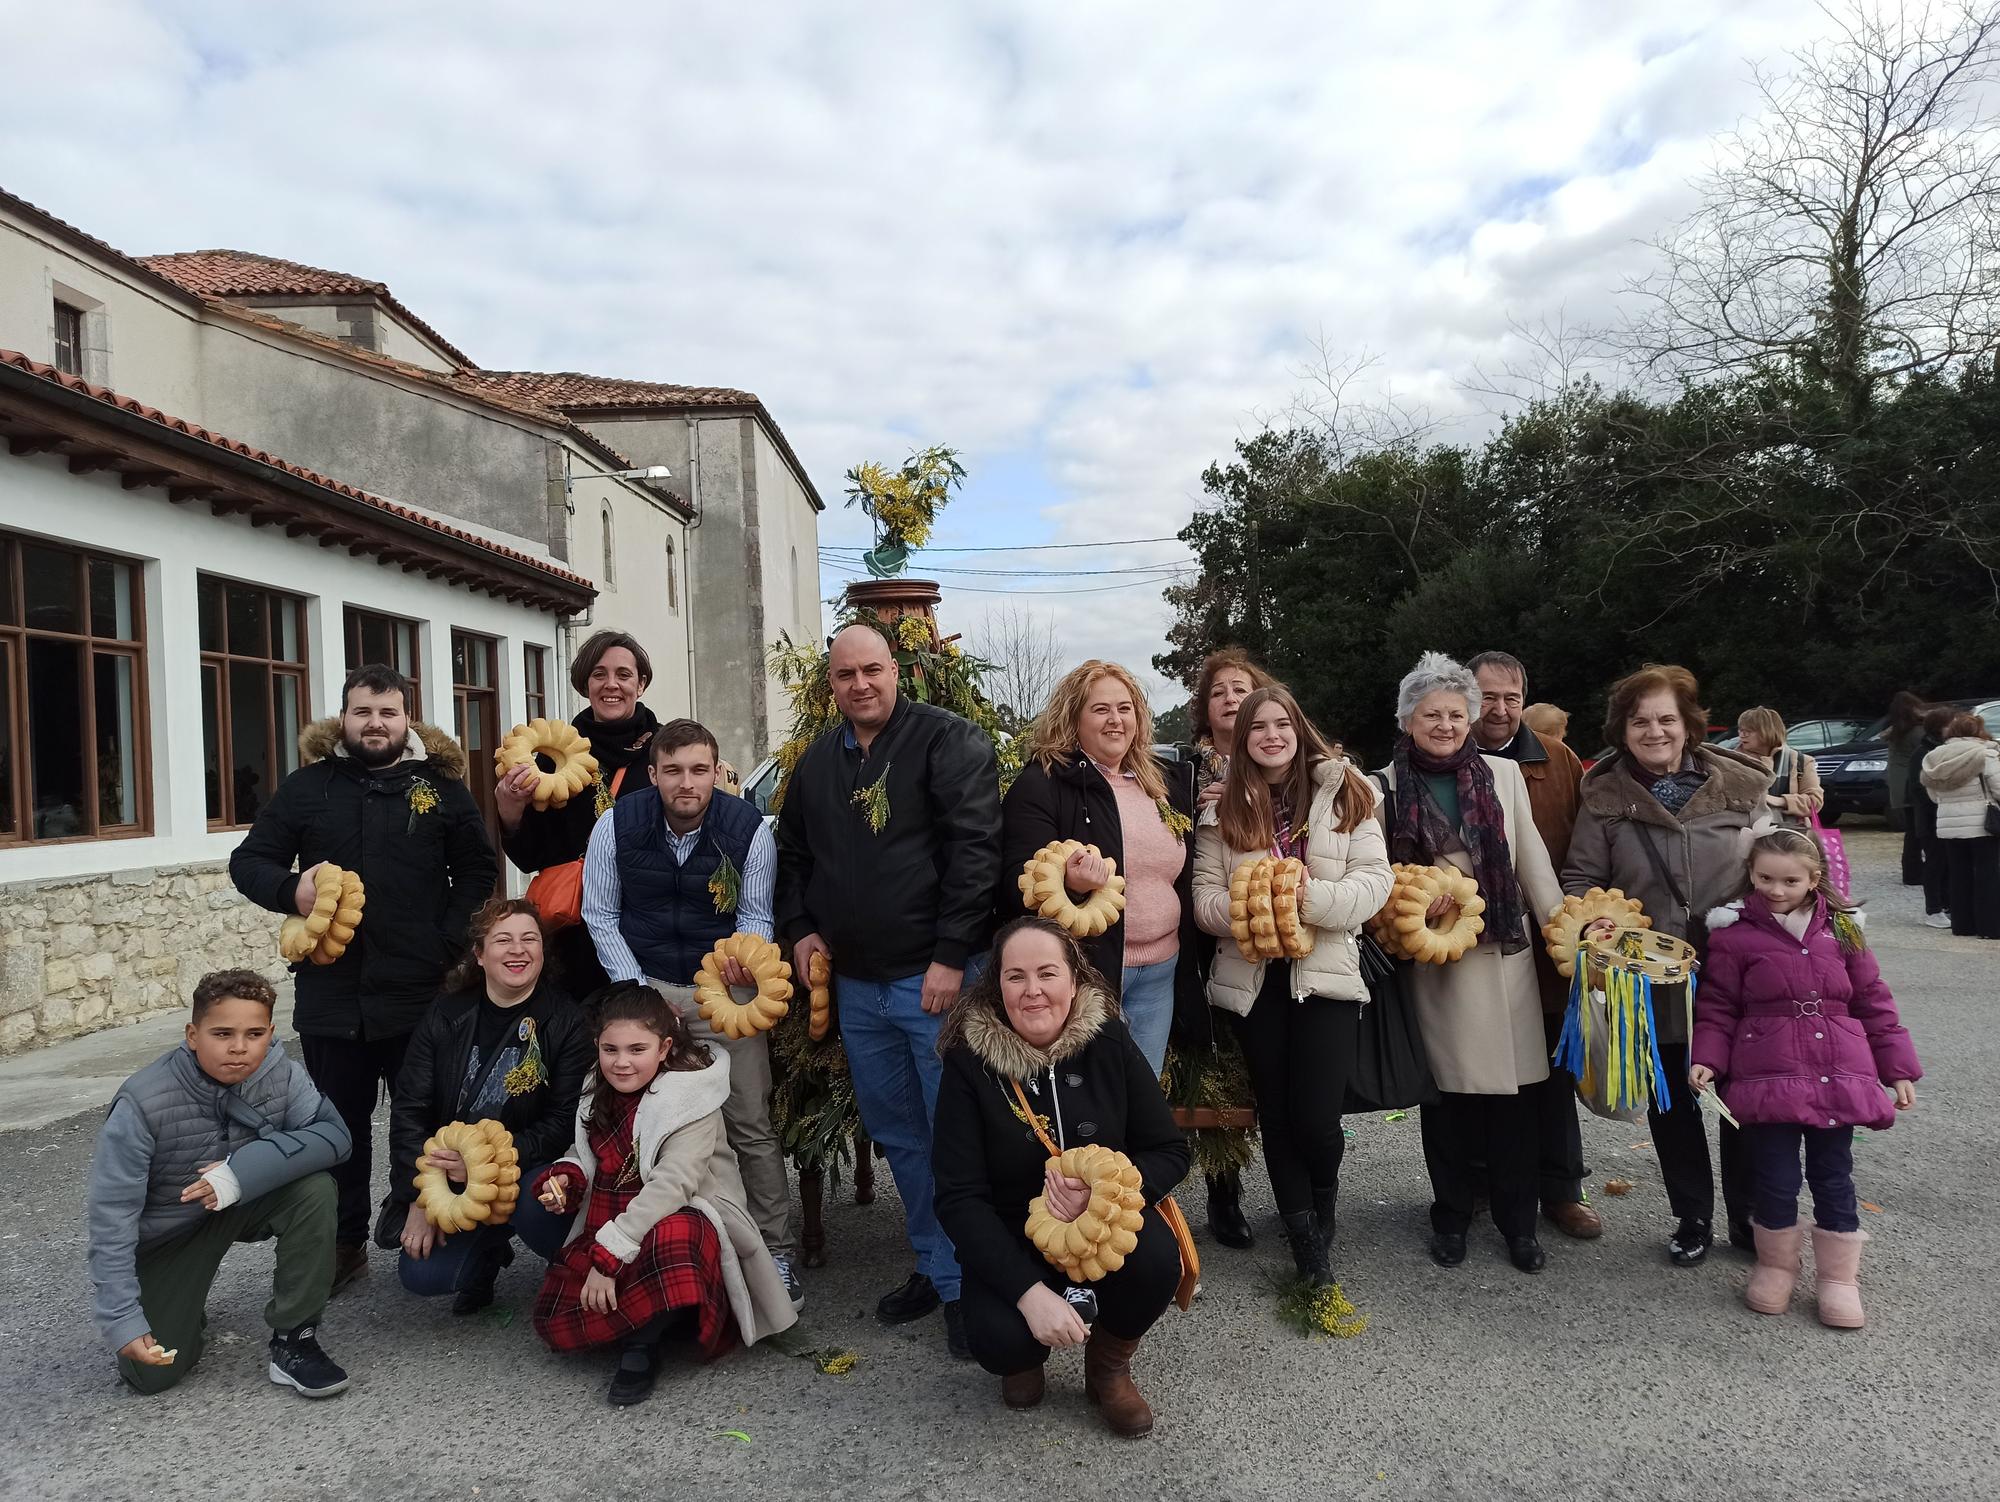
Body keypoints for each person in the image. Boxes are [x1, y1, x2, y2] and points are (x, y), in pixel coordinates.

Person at [229, 664, 498, 1295]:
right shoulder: (308, 787)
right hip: (332, 996)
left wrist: (444, 944)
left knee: (428, 1116)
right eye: (362, 712)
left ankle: (428, 1219)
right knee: (336, 1127)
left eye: (387, 712)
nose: (375, 724)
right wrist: (290, 888)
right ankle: (343, 1244)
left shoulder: (439, 788)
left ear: (407, 719)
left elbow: (478, 871)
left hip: (419, 993)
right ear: (343, 719)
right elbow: (249, 861)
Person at [775, 620, 1002, 1357]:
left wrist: (949, 954)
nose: (860, 684)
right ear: (831, 684)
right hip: (857, 990)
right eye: (846, 675)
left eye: (872, 669)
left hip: (933, 982)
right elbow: (792, 855)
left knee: (956, 1138)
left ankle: (975, 1284)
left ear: (896, 670)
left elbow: (976, 855)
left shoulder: (947, 742)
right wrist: (801, 925)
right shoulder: (817, 765)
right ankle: (938, 1269)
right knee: (902, 1136)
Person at [931, 918, 1188, 1437]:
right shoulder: (968, 1064)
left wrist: (1104, 1197)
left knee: (1160, 1261)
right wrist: (1029, 1294)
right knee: (999, 1339)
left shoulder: (1109, 1040)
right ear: (996, 984)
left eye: (1047, 973)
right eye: (1015, 976)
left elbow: (1169, 1149)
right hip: (1014, 1236)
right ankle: (1024, 1357)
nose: (1033, 992)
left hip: (1106, 1228)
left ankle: (1109, 1365)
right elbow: (959, 1197)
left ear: (1074, 979)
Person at [580, 718, 799, 1306]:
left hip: (724, 990)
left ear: (716, 772)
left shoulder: (747, 828)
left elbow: (756, 914)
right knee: (635, 1121)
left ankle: (774, 1250)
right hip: (646, 983)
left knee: (749, 1120)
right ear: (653, 774)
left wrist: (738, 961)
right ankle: (629, 1243)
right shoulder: (616, 824)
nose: (686, 783)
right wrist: (637, 995)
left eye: (698, 770)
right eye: (672, 770)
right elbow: (600, 912)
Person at [1562, 663, 1769, 1266]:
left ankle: (1751, 1219)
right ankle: (1693, 1218)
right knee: (1673, 1100)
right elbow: (1582, 878)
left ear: (1689, 725)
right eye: (1639, 720)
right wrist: (1592, 921)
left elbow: (1788, 866)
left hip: (1736, 968)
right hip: (1650, 973)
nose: (1654, 731)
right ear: (1622, 729)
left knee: (1742, 1098)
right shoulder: (1603, 796)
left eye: (1666, 719)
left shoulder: (1744, 785)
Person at [1192, 686, 1390, 1283]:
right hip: (1256, 983)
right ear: (1243, 740)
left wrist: (1309, 899)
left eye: (1282, 724)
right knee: (1277, 1116)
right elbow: (1203, 903)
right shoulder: (1218, 810)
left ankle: (1322, 1200)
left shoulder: (1347, 794)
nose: (1271, 736)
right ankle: (1305, 1239)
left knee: (1318, 1120)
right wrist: (1256, 903)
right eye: (1258, 728)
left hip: (1324, 976)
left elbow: (1376, 883)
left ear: (1299, 729)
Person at [1378, 653, 1566, 1274]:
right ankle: (1451, 1215)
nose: (1446, 723)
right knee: (1449, 1103)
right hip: (1435, 961)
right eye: (1432, 713)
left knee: (1513, 1103)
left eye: (1457, 713)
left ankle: (1520, 1223)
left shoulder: (1505, 776)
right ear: (1408, 719)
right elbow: (1374, 874)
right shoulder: (1381, 786)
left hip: (1502, 957)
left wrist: (1565, 932)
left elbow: (1532, 861)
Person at [1690, 829, 1921, 1327]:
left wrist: (1897, 1068)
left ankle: (1839, 1279)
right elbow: (1718, 1006)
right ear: (1750, 875)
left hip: (1837, 1073)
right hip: (1766, 1075)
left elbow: (1874, 1001)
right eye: (1765, 878)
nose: (1776, 889)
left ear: (1814, 879)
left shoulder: (1843, 930)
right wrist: (1708, 1057)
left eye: (1790, 880)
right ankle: (1776, 1266)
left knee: (1833, 1175)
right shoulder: (1733, 936)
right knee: (1774, 1177)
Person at [86, 970, 353, 1398]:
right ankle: (184, 1311)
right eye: (222, 1033)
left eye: (254, 1033)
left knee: (314, 1190)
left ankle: (295, 1341)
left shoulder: (280, 1072)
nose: (239, 1048)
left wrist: (239, 1174)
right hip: (169, 1236)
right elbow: (111, 1218)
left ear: (270, 1033)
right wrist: (122, 1321)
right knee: (152, 1377)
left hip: (243, 1204)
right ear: (193, 1035)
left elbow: (335, 1137)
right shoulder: (142, 1101)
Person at [530, 984, 797, 1406]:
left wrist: (609, 1257)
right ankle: (656, 1314)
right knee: (556, 1318)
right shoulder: (595, 1087)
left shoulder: (691, 1096)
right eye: (610, 1049)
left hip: (679, 1212)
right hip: (614, 1212)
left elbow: (674, 1182)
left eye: (637, 1049)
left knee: (676, 1234)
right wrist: (567, 1179)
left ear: (664, 1047)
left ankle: (642, 1345)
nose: (621, 1062)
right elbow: (583, 1152)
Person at [381, 898, 593, 1313]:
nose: (518, 949)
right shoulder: (446, 1012)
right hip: (449, 1169)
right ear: (479, 954)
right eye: (503, 940)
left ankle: (574, 1271)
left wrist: (485, 1165)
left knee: (539, 1205)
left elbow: (561, 1123)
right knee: (423, 1275)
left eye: (529, 939)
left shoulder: (566, 1022)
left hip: (526, 1165)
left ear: (542, 952)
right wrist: (418, 1196)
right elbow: (410, 1110)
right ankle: (486, 1255)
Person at [1000, 660, 1200, 1075]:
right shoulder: (1043, 784)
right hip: (1090, 972)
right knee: (1092, 1097)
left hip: (1161, 969)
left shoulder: (1161, 784)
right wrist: (1069, 884)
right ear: (1073, 717)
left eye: (1125, 709)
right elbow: (1013, 880)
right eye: (1101, 709)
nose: (1115, 720)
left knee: (1143, 1093)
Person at [1467, 650, 1599, 1242]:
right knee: (1470, 1074)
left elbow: (1584, 847)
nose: (1498, 709)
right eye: (1486, 696)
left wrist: (1580, 922)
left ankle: (1561, 1188)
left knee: (1550, 1075)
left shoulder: (1557, 759)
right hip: (1467, 948)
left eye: (1509, 697)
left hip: (1547, 949)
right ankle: (1473, 1187)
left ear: (1524, 699)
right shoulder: (1443, 753)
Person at [497, 630, 662, 996]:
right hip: (575, 933)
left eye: (623, 674)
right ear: (585, 684)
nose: (611, 685)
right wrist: (510, 813)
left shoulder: (665, 752)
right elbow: (530, 857)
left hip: (648, 927)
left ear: (642, 683)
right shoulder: (553, 756)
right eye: (599, 674)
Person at [1184, 647, 1278, 1249]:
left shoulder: (1277, 760)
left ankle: (1278, 1190)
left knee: (1255, 1065)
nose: (1230, 698)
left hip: (1266, 930)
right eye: (1219, 691)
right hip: (1197, 924)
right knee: (1212, 1062)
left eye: (1241, 688)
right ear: (1205, 706)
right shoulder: (1176, 769)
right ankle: (1223, 1193)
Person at [1920, 714, 2000, 939]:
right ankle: (1990, 927)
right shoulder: (1985, 755)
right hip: (1981, 823)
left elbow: (1934, 796)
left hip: (1948, 823)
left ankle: (1963, 925)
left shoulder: (1934, 758)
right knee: (1987, 874)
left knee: (1958, 873)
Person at [1736, 707, 1825, 827]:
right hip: (1743, 833)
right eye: (1740, 730)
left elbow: (1815, 802)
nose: (1742, 735)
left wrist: (1780, 801)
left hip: (1790, 835)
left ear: (1768, 731)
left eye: (1749, 731)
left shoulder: (1801, 761)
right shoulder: (1729, 760)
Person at [1911, 705, 1957, 927]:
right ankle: (1933, 909)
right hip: (1930, 819)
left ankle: (1948, 903)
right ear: (1940, 727)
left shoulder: (1945, 749)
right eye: (1951, 724)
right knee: (1935, 863)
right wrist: (1939, 805)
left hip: (1946, 817)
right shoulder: (1922, 752)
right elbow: (1918, 789)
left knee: (1948, 863)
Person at [1883, 690, 1929, 874]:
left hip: (1898, 785)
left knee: (1911, 830)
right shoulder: (1917, 732)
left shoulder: (1896, 731)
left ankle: (1910, 868)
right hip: (1912, 784)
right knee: (1918, 829)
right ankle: (1914, 870)